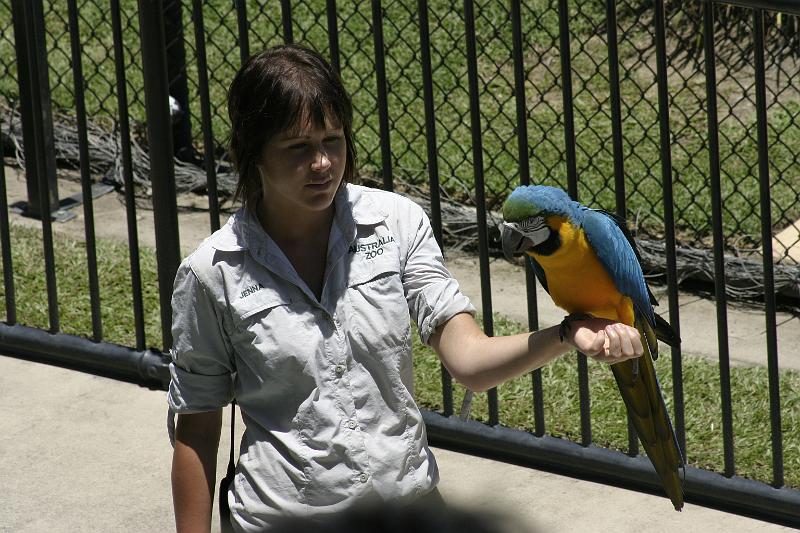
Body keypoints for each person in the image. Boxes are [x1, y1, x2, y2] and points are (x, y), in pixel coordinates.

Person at [167, 43, 643, 533]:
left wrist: (569, 334)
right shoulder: (212, 273)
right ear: (253, 153)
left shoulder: (396, 223)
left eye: (333, 140)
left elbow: (470, 363)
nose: (323, 163)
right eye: (298, 147)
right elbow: (198, 431)